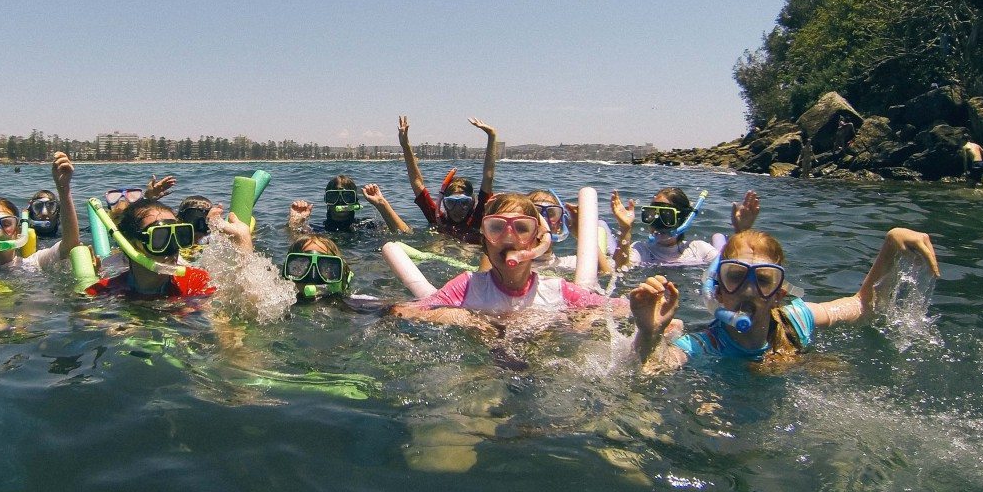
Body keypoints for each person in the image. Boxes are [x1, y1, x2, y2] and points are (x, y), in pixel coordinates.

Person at [629, 227, 939, 369]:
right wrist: (649, 332)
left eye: (763, 280)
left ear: (779, 294)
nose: (749, 289)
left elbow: (864, 306)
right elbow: (653, 368)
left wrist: (891, 243)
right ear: (719, 291)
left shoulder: (797, 318)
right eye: (736, 276)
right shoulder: (704, 346)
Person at [390, 193, 629, 328]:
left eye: (522, 228)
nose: (508, 236)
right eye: (496, 227)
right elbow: (410, 310)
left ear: (538, 242)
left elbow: (617, 308)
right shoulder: (467, 286)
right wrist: (459, 316)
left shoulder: (558, 290)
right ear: (484, 240)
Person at [84, 199, 253, 300]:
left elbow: (245, 310)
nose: (173, 248)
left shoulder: (196, 282)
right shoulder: (103, 292)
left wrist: (243, 243)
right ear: (131, 244)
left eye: (180, 235)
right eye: (161, 238)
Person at [397, 115, 497, 244]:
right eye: (451, 203)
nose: (457, 209)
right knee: (436, 245)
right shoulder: (437, 217)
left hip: (470, 254)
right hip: (442, 253)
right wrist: (405, 145)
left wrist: (492, 135)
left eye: (464, 202)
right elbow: (417, 182)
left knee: (467, 250)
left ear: (472, 203)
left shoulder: (477, 218)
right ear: (443, 203)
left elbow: (488, 177)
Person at [609, 188, 760, 269]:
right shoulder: (641, 250)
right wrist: (625, 229)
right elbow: (620, 269)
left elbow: (734, 270)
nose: (658, 222)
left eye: (666, 216)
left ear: (683, 219)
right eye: (651, 215)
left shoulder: (699, 249)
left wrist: (742, 231)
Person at [287, 175, 412, 236]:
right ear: (327, 200)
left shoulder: (369, 226)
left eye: (347, 196)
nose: (341, 201)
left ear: (355, 200)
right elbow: (292, 244)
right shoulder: (316, 230)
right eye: (334, 196)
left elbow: (406, 234)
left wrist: (381, 204)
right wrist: (295, 222)